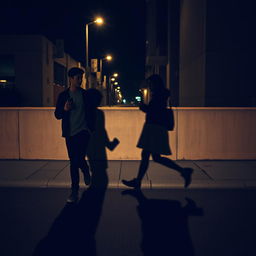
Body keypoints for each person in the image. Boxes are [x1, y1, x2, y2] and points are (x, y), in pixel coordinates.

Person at [122, 74, 193, 189]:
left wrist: (143, 107)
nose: (149, 86)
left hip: (154, 128)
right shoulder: (162, 95)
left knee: (147, 155)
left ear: (156, 84)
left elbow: (153, 111)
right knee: (154, 157)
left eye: (150, 84)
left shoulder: (159, 96)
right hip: (156, 128)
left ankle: (138, 181)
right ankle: (183, 171)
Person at [54, 67, 95, 203]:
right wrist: (65, 109)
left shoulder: (85, 95)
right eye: (78, 78)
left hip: (83, 132)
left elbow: (92, 114)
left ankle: (74, 191)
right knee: (75, 161)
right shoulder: (63, 96)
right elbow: (57, 115)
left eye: (81, 78)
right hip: (69, 134)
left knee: (76, 159)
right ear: (70, 79)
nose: (80, 80)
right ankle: (84, 172)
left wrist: (91, 130)